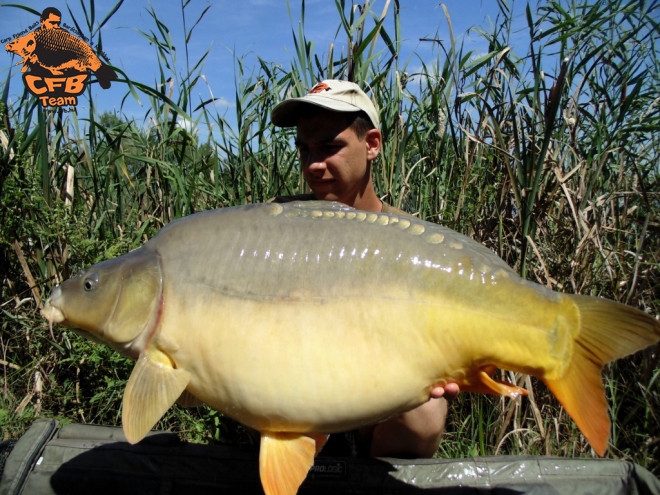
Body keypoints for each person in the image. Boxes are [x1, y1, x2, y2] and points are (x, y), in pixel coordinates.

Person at [270, 79, 460, 458]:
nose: (313, 164)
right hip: (293, 384)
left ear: (371, 144)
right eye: (303, 149)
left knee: (425, 410)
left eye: (329, 148)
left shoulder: (413, 242)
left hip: (374, 401)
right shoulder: (276, 222)